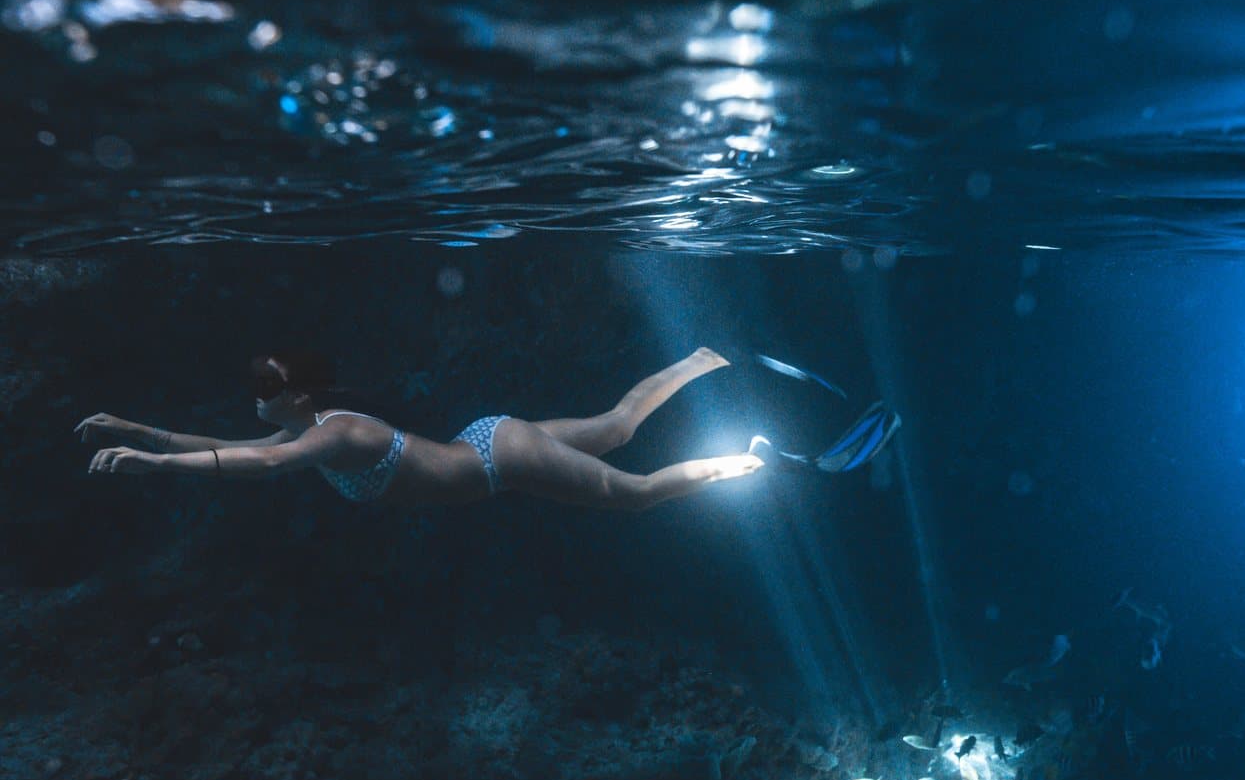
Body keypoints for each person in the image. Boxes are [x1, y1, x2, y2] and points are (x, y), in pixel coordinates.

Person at [76, 346, 762, 511]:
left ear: (299, 395)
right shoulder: (316, 429)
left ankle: (745, 464)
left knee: (635, 491)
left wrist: (155, 465)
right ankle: (706, 357)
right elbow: (235, 450)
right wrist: (135, 430)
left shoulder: (331, 437)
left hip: (500, 459)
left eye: (265, 387)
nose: (254, 398)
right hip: (492, 440)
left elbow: (255, 466)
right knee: (616, 427)